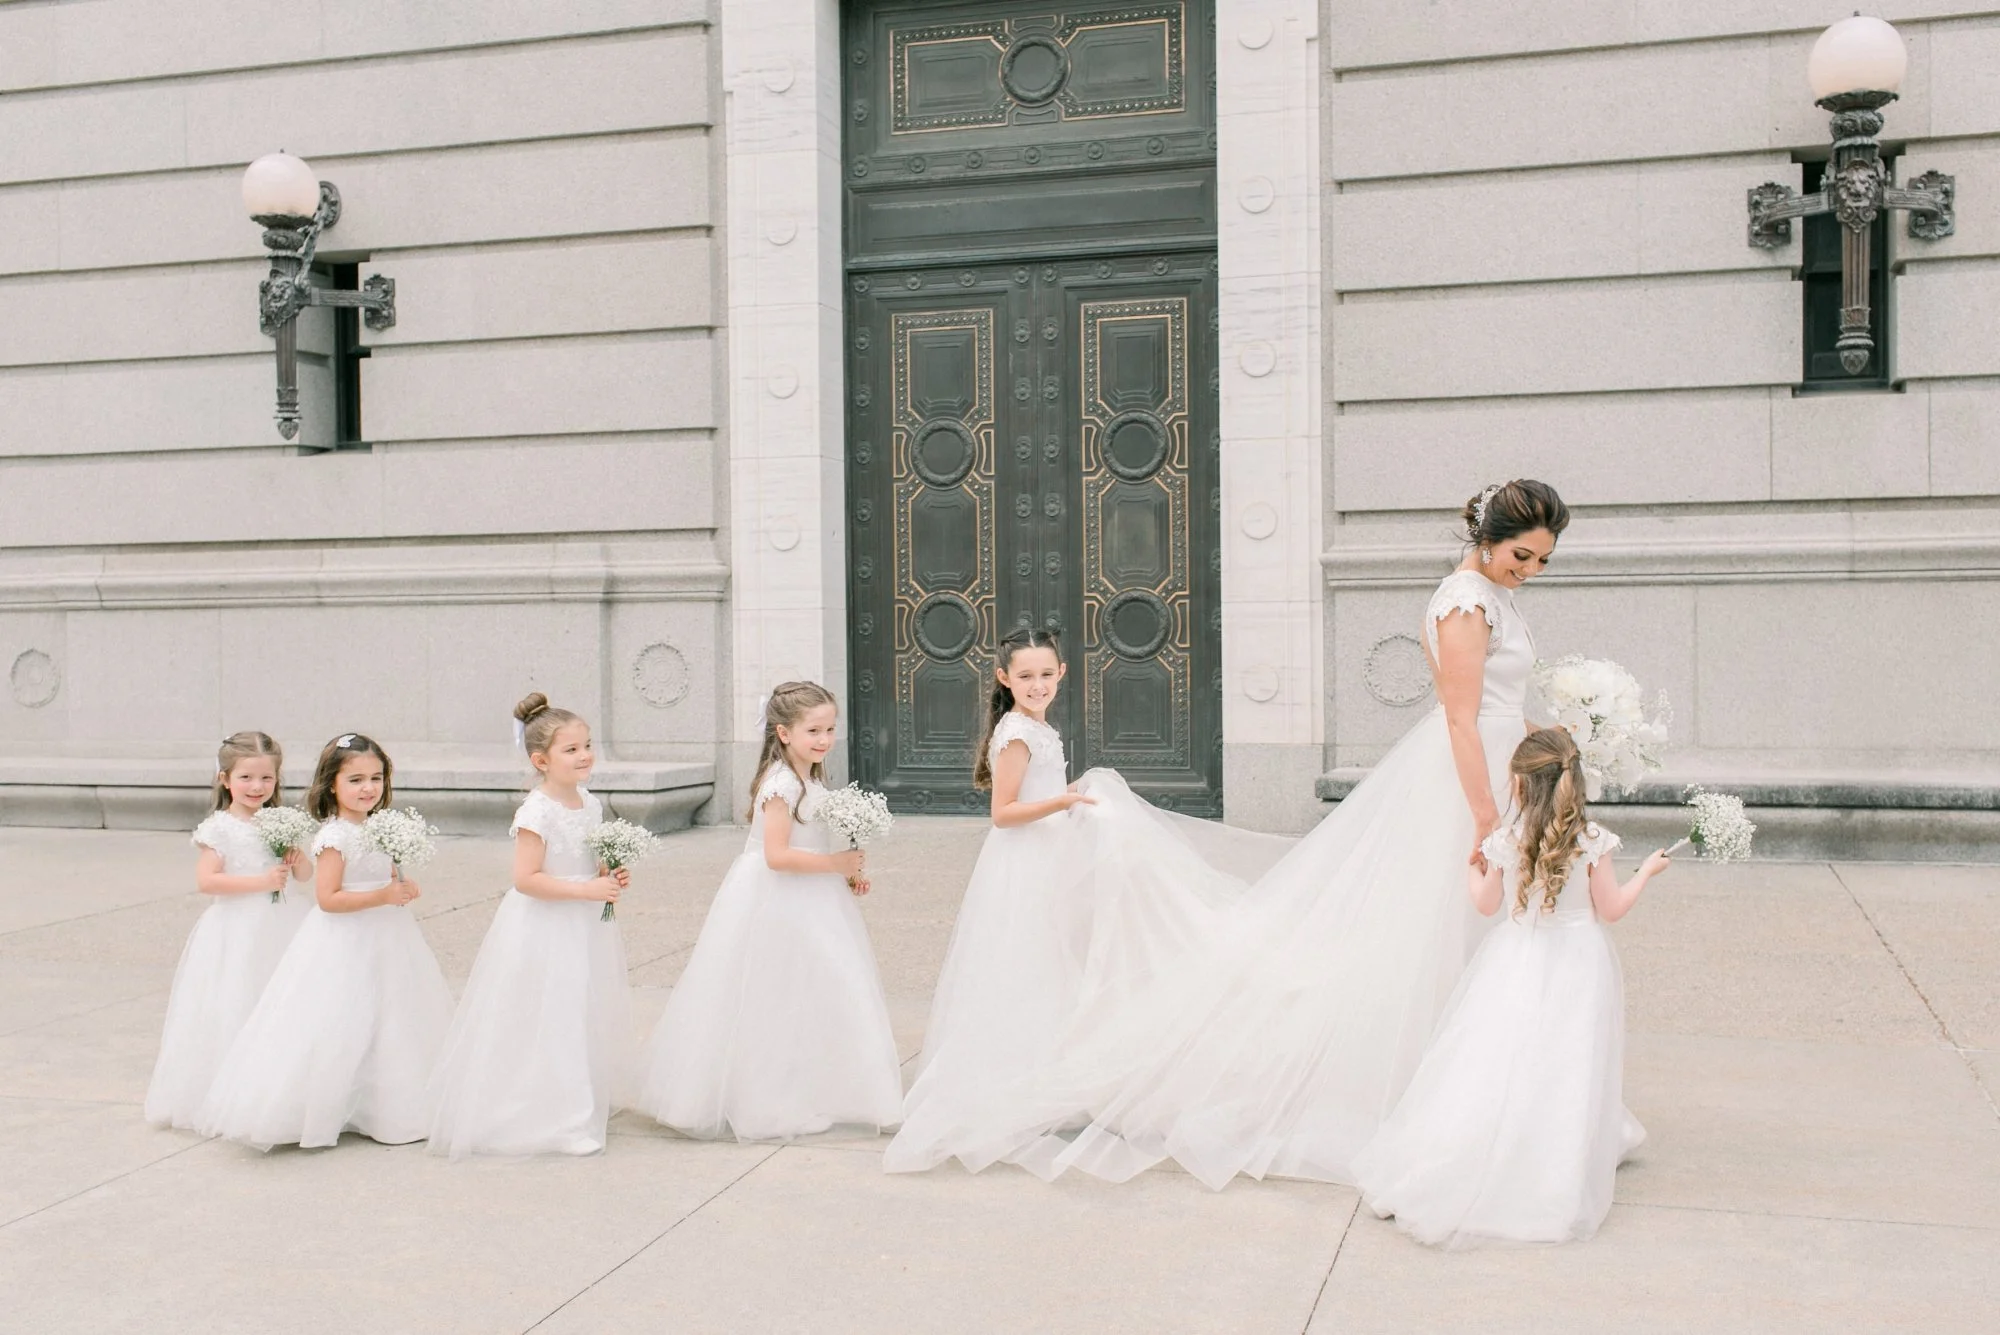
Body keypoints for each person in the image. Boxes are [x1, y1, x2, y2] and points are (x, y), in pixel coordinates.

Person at [990, 480, 1573, 1189]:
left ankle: (1489, 1082)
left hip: (1506, 766)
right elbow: (1461, 715)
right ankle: (1441, 1087)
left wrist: (1558, 733)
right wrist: (1484, 816)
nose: (1532, 570)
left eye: (1544, 559)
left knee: (1470, 933)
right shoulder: (1466, 600)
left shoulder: (1497, 595)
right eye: (1523, 554)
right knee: (1445, 924)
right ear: (1488, 538)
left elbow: (1501, 704)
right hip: (1469, 779)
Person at [885, 629, 1278, 1175]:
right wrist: (1063, 801)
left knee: (1055, 963)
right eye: (1025, 676)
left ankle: (1047, 1071)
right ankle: (1011, 1080)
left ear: (1063, 673)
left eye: (1047, 675)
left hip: (1047, 853)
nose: (1038, 684)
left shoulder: (1038, 726)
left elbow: (1040, 798)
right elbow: (1003, 812)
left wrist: (1070, 809)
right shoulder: (1017, 734)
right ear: (1004, 679)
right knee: (1027, 963)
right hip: (1022, 862)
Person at [1353, 727, 1670, 1246]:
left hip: (1516, 955)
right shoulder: (1592, 841)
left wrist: (1469, 869)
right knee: (1566, 1060)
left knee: (1498, 1054)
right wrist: (1647, 873)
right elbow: (1611, 909)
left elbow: (1484, 903)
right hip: (1578, 962)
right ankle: (1556, 1157)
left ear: (1521, 786)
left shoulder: (1504, 840)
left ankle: (1474, 1150)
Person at [637, 682, 902, 1141]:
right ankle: (767, 1100)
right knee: (772, 996)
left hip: (812, 895)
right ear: (783, 732)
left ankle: (809, 1088)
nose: (823, 739)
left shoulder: (812, 778)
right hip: (776, 897)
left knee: (814, 990)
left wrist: (843, 872)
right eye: (813, 730)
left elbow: (810, 842)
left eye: (830, 729)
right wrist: (834, 864)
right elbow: (776, 856)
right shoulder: (780, 784)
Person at [197, 734, 451, 1150]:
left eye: (376, 778)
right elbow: (328, 899)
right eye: (355, 780)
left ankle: (389, 1103)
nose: (367, 788)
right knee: (340, 1017)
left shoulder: (380, 828)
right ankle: (331, 1103)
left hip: (388, 935)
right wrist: (383, 897)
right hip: (345, 939)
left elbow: (382, 877)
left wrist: (401, 887)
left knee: (393, 1013)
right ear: (331, 785)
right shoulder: (334, 837)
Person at [427, 694, 634, 1158]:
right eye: (571, 749)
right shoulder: (536, 811)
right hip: (546, 924)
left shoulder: (591, 802)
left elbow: (590, 860)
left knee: (579, 1011)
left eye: (586, 745)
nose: (584, 756)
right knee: (550, 1014)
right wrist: (586, 891)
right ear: (541, 760)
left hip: (584, 924)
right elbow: (526, 879)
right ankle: (555, 1119)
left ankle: (577, 1105)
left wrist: (610, 873)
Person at [143, 732, 310, 1130]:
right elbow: (208, 882)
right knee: (239, 1001)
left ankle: (280, 1092)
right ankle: (229, 1096)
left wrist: (296, 856)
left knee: (284, 1001)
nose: (257, 787)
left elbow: (303, 876)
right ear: (225, 779)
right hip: (238, 928)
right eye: (247, 778)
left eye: (266, 779)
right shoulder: (219, 828)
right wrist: (262, 882)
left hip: (283, 921)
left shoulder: (279, 822)